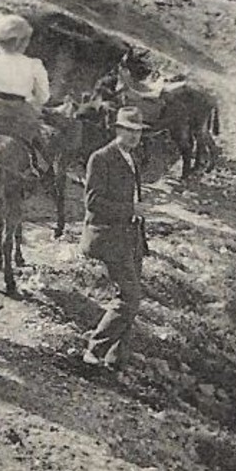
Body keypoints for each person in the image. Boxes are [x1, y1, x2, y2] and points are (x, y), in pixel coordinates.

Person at [80, 107, 149, 375]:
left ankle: (116, 360)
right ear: (117, 130)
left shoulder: (131, 158)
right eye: (129, 131)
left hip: (130, 237)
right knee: (130, 298)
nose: (134, 136)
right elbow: (93, 202)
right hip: (109, 237)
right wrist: (130, 209)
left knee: (128, 298)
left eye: (138, 132)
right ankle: (94, 350)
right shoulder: (101, 158)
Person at [0, 13, 49, 170]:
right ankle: (48, 183)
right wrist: (31, 100)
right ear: (21, 41)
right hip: (23, 115)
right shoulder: (34, 64)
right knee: (42, 157)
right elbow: (43, 97)